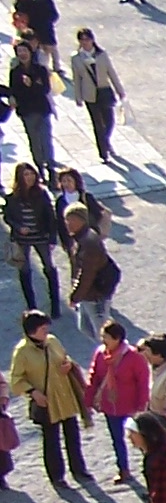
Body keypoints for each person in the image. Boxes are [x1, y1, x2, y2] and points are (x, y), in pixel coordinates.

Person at [9, 311, 91, 490]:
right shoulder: (22, 352)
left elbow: (64, 357)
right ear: (32, 331)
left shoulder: (52, 341)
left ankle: (79, 469)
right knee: (51, 440)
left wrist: (67, 364)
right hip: (46, 401)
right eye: (43, 329)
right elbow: (16, 380)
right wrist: (33, 392)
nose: (47, 332)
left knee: (73, 435)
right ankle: (57, 476)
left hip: (64, 396)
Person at [84, 317, 147, 481]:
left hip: (130, 405)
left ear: (117, 338)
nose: (102, 340)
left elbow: (142, 382)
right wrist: (88, 400)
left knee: (143, 438)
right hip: (110, 405)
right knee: (117, 439)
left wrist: (141, 405)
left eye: (105, 337)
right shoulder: (100, 354)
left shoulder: (134, 356)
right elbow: (94, 377)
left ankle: (149, 469)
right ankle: (123, 469)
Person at [5, 165, 60, 316]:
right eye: (26, 174)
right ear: (19, 177)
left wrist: (52, 238)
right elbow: (8, 217)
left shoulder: (41, 194)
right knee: (24, 270)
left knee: (49, 267)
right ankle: (32, 306)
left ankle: (55, 305)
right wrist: (18, 227)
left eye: (31, 174)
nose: (30, 177)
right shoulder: (12, 197)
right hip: (22, 238)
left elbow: (50, 217)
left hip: (40, 236)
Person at [64, 205, 119, 339]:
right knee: (85, 327)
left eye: (72, 220)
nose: (68, 224)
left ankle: (115, 350)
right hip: (87, 294)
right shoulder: (80, 238)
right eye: (67, 220)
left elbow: (87, 275)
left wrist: (75, 296)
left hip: (95, 295)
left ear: (82, 220)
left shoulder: (89, 243)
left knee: (104, 335)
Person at [8, 45, 56, 184]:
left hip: (42, 109)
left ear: (30, 52)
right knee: (34, 141)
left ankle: (51, 169)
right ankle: (40, 168)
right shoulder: (15, 72)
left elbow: (45, 89)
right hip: (27, 112)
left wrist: (32, 84)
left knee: (46, 140)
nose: (22, 54)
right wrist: (12, 99)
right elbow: (14, 90)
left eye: (25, 51)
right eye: (19, 51)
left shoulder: (40, 69)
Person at [24, 0, 62, 69]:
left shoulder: (32, 2)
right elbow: (55, 15)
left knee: (41, 51)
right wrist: (49, 22)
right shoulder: (47, 0)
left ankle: (44, 67)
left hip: (36, 30)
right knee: (53, 49)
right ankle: (56, 67)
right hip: (47, 28)